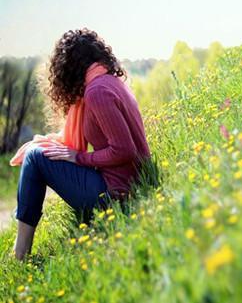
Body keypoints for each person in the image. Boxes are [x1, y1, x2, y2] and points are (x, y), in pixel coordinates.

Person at [10, 28, 151, 260]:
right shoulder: (109, 82)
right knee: (38, 152)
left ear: (68, 68)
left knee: (35, 157)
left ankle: (20, 254)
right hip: (129, 184)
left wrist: (78, 157)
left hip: (116, 196)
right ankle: (20, 250)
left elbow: (125, 150)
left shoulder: (97, 92)